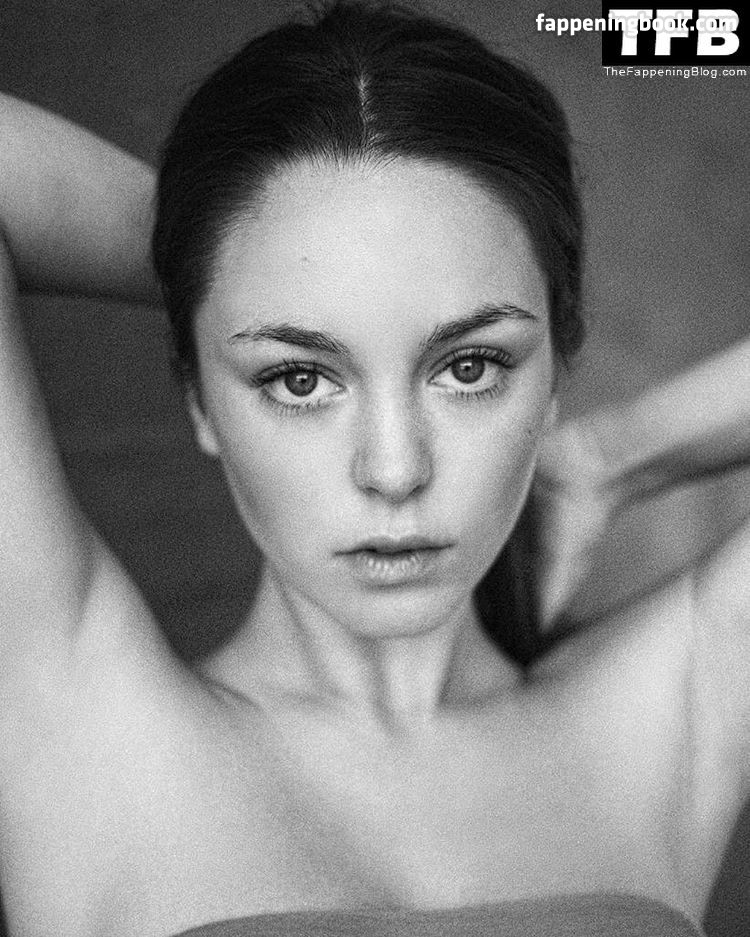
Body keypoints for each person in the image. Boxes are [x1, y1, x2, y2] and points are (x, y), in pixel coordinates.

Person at [0, 2, 747, 936]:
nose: (394, 470)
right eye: (299, 377)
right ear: (199, 397)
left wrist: (613, 457)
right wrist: (217, 255)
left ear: (555, 372)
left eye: (470, 367)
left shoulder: (675, 704)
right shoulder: (75, 714)